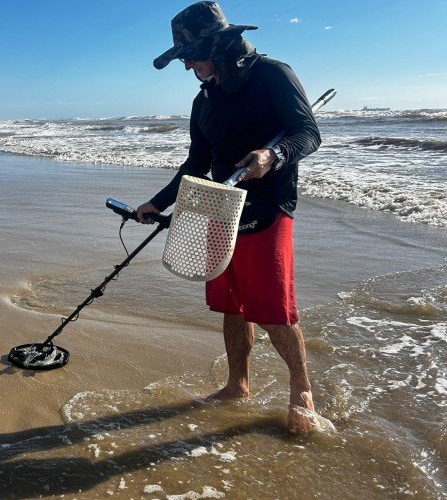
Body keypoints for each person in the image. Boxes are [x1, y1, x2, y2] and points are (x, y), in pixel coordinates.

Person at [136, 1, 322, 433]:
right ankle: (238, 383)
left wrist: (272, 155)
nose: (187, 68)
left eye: (190, 57)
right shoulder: (204, 102)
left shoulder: (273, 74)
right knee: (232, 303)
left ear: (219, 46)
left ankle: (301, 387)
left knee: (275, 309)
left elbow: (308, 133)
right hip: (220, 206)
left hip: (269, 204)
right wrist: (157, 203)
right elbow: (195, 164)